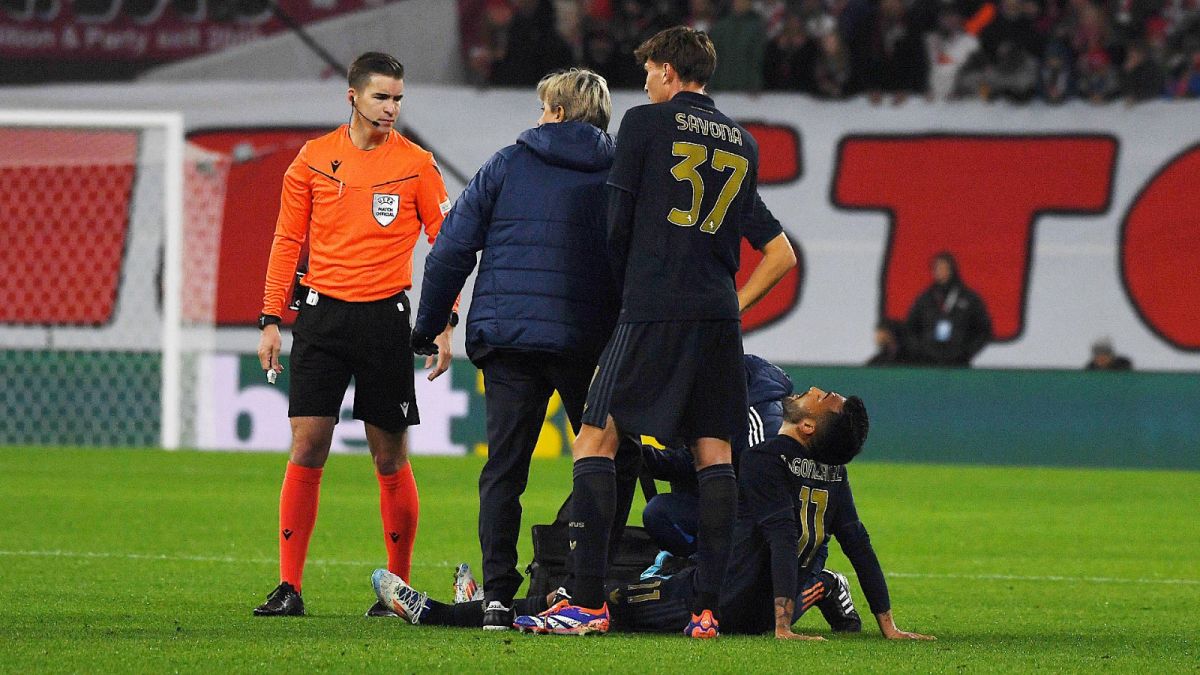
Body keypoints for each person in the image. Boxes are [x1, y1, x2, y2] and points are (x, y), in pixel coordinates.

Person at [525, 26, 798, 639]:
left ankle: (588, 602)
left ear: (670, 72)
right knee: (715, 455)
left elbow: (617, 223)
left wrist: (622, 300)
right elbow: (781, 254)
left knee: (594, 439)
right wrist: (734, 304)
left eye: (649, 70)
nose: (644, 81)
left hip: (653, 307)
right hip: (717, 319)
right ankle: (706, 611)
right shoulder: (744, 143)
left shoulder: (646, 126)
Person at [373, 387, 933, 642]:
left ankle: (445, 615)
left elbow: (783, 538)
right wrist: (887, 623)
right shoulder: (835, 474)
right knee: (633, 566)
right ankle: (483, 604)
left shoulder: (767, 461)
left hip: (716, 602)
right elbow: (856, 541)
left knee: (589, 603)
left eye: (822, 399)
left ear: (808, 427)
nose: (813, 391)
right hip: (749, 602)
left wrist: (783, 627)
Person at [410, 68, 626, 631]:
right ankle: (585, 587)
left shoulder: (506, 164)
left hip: (509, 340)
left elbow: (450, 249)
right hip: (587, 343)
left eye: (544, 108)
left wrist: (430, 323)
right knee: (608, 461)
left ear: (555, 111)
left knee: (505, 470)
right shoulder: (622, 173)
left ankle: (499, 598)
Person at [252, 51, 455, 617]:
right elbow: (286, 242)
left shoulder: (416, 165)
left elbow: (449, 245)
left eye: (397, 99)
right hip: (319, 318)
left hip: (385, 321)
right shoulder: (313, 160)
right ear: (353, 97)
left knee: (389, 458)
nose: (391, 109)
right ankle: (289, 587)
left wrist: (444, 319)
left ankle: (399, 590)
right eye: (381, 98)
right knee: (307, 444)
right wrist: (271, 319)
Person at [640, 354, 793, 558]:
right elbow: (692, 462)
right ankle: (700, 571)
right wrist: (640, 456)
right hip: (728, 508)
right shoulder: (711, 399)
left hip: (754, 518)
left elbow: (766, 492)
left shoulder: (760, 419)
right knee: (660, 513)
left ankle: (717, 572)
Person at [904, 251, 993, 367]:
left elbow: (984, 329)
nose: (940, 271)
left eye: (943, 267)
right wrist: (920, 350)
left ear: (952, 269)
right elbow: (910, 327)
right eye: (937, 268)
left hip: (959, 361)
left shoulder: (969, 297)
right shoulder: (925, 298)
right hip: (927, 361)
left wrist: (967, 352)